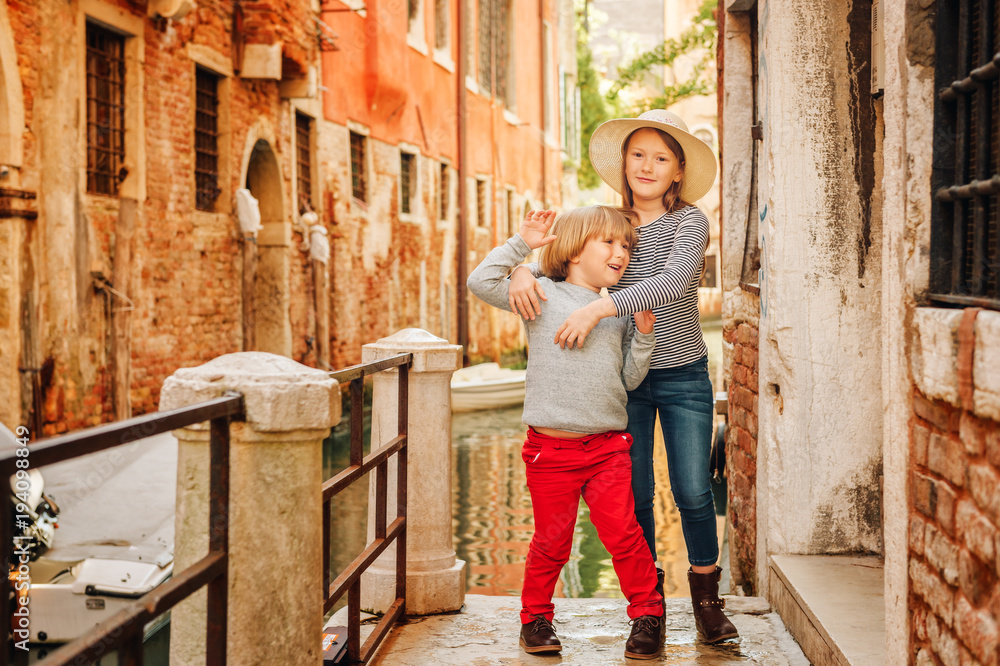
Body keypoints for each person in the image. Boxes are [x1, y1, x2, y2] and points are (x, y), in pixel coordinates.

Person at [507, 110, 738, 644]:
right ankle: (649, 612)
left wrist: (599, 310)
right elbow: (555, 265)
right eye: (638, 155)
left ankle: (706, 601)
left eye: (661, 158)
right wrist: (521, 267)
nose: (647, 166)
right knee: (634, 498)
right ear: (623, 163)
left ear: (678, 171)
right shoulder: (608, 222)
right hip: (620, 383)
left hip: (682, 375)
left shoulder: (690, 222)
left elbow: (675, 285)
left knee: (694, 490)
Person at [467, 205, 665, 660]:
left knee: (624, 534)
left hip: (607, 448)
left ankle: (647, 615)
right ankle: (535, 619)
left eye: (627, 246)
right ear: (574, 249)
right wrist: (521, 254)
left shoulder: (616, 310)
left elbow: (629, 381)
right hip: (549, 450)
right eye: (610, 243)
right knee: (551, 542)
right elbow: (480, 281)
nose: (622, 254)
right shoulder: (538, 293)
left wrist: (645, 338)